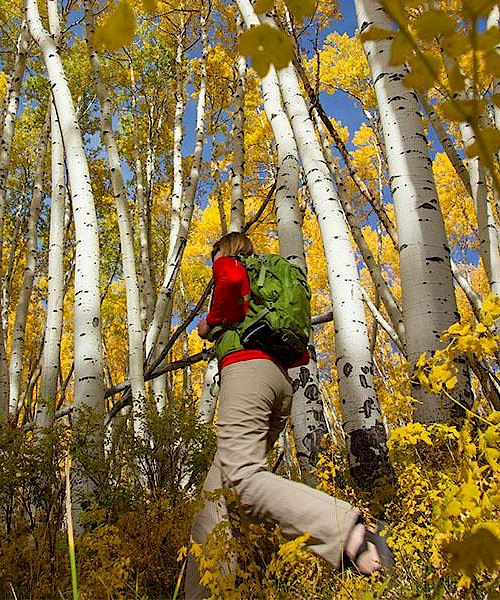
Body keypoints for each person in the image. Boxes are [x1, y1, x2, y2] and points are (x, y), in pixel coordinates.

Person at [184, 232, 393, 599]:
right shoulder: (271, 274)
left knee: (244, 477)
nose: (213, 261)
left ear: (225, 249)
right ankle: (205, 592)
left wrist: (210, 323)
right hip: (277, 382)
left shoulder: (231, 264)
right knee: (216, 498)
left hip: (246, 373)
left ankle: (350, 533)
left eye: (214, 254)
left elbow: (230, 284)